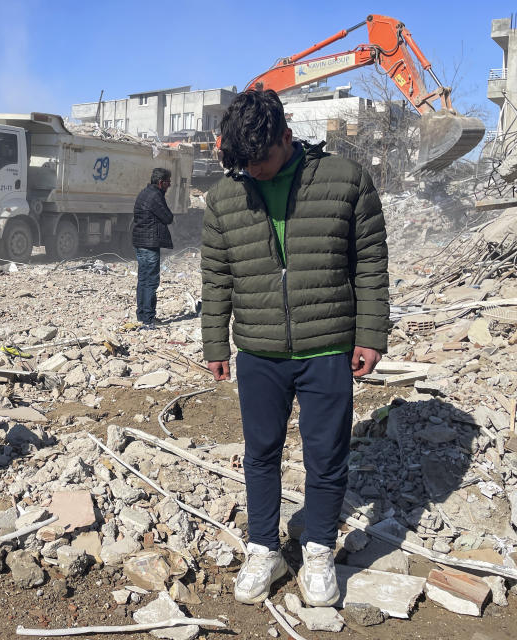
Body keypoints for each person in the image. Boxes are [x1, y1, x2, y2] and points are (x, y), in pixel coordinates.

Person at [202, 90, 389, 606]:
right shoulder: (225, 194)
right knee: (260, 454)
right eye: (243, 166)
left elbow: (370, 261)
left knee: (326, 457)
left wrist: (371, 333)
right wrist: (215, 340)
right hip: (259, 350)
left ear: (286, 137)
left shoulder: (347, 180)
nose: (252, 174)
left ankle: (320, 549)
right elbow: (216, 276)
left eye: (260, 163)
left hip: (327, 345)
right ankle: (264, 547)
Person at [132, 167, 174, 329]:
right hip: (149, 244)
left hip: (140, 242)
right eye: (168, 182)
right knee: (151, 281)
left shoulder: (144, 193)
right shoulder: (155, 196)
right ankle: (149, 319)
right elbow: (168, 217)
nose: (169, 186)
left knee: (143, 279)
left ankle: (142, 315)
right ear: (161, 182)